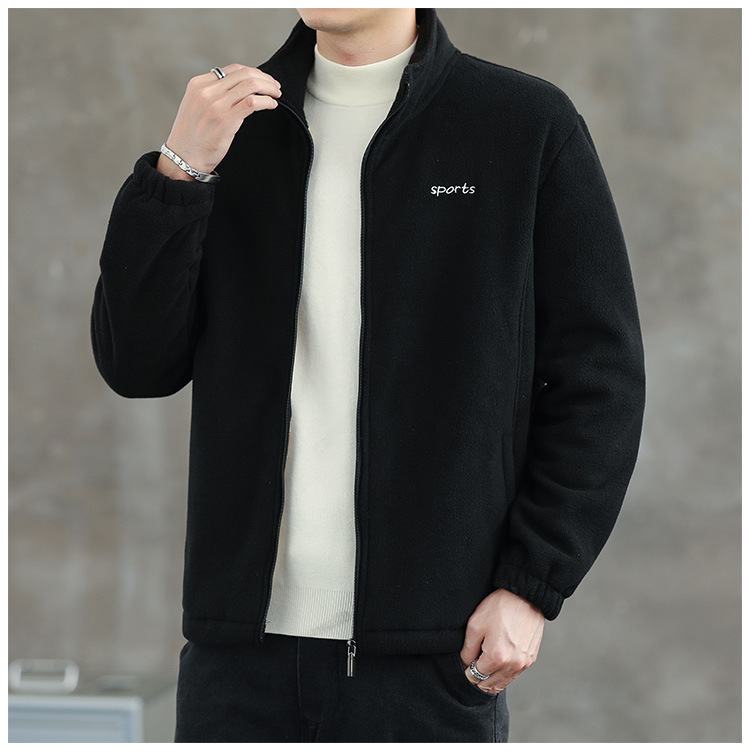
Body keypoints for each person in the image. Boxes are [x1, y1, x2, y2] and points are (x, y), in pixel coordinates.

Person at [90, 7, 646, 743]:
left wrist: (532, 583)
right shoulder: (233, 126)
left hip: (429, 655)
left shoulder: (523, 123)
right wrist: (178, 172)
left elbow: (601, 379)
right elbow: (136, 363)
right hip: (237, 655)